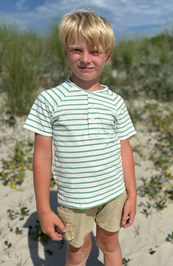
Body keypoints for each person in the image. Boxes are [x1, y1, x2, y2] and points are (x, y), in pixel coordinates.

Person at [24, 8, 136, 266]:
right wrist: (44, 208)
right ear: (66, 52)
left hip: (113, 194)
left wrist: (132, 194)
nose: (86, 59)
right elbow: (41, 157)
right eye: (77, 50)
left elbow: (125, 151)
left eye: (95, 51)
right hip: (74, 202)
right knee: (78, 253)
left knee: (110, 245)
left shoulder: (115, 102)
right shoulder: (49, 100)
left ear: (107, 57)